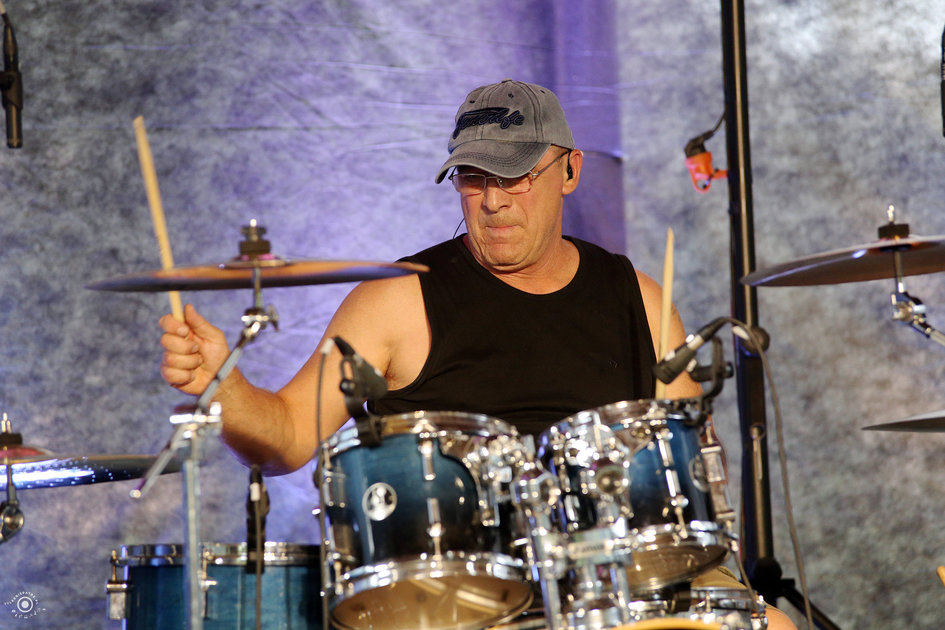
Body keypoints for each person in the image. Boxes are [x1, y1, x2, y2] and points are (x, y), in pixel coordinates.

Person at [159, 78, 797, 630]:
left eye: (515, 176)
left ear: (570, 170)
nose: (492, 201)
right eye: (473, 178)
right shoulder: (397, 298)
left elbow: (690, 483)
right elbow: (288, 438)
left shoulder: (640, 297)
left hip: (621, 586)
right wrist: (225, 388)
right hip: (462, 598)